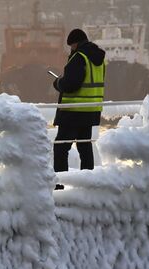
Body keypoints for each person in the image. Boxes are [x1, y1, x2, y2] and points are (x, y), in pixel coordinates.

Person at [52, 29, 106, 182]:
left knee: (61, 147)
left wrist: (58, 82)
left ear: (75, 43)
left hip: (73, 111)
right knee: (84, 146)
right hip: (91, 110)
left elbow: (70, 85)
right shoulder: (99, 59)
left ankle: (60, 183)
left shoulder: (79, 57)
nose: (71, 49)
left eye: (71, 46)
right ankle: (87, 182)